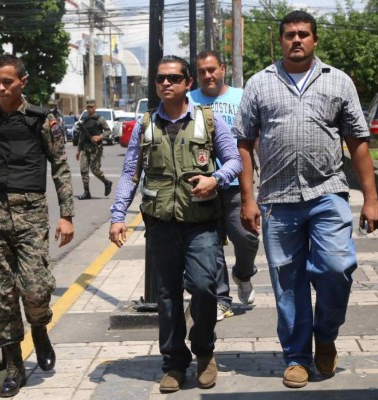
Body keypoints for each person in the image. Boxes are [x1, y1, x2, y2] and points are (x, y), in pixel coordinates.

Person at [233, 10, 378, 389]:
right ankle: (298, 356)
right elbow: (245, 144)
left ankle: (327, 335)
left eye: (303, 34)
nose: (296, 40)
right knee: (288, 282)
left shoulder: (338, 81)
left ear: (315, 40)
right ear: (280, 40)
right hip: (278, 200)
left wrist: (371, 199)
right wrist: (247, 199)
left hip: (327, 193)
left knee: (336, 268)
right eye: (289, 35)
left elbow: (358, 142)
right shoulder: (259, 84)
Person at [109, 55, 241, 393]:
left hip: (200, 222)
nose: (166, 84)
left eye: (173, 78)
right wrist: (118, 216)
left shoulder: (208, 120)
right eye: (160, 79)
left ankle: (204, 351)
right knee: (167, 296)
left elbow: (234, 161)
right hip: (161, 223)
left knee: (203, 287)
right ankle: (173, 363)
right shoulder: (145, 124)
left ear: (188, 84)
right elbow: (130, 174)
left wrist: (216, 180)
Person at [0, 54, 75, 398]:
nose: (0, 88)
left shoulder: (43, 121)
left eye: (7, 82)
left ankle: (40, 327)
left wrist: (67, 215)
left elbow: (60, 167)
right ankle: (14, 365)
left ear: (22, 82)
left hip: (30, 218)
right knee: (1, 295)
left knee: (37, 288)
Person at [188, 50, 259, 321]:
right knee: (211, 244)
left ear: (223, 69)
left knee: (247, 235)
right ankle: (221, 299)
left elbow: (254, 141)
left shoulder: (241, 97)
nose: (208, 75)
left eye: (212, 69)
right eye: (202, 71)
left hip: (237, 182)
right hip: (202, 185)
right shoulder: (190, 100)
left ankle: (243, 273)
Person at [75, 99, 113, 199]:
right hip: (85, 148)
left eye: (92, 107)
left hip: (96, 149)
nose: (90, 109)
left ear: (95, 108)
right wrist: (78, 150)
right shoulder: (85, 120)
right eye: (88, 107)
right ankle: (86, 192)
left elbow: (108, 131)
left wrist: (100, 137)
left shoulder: (100, 119)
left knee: (95, 169)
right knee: (83, 170)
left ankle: (107, 182)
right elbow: (82, 136)